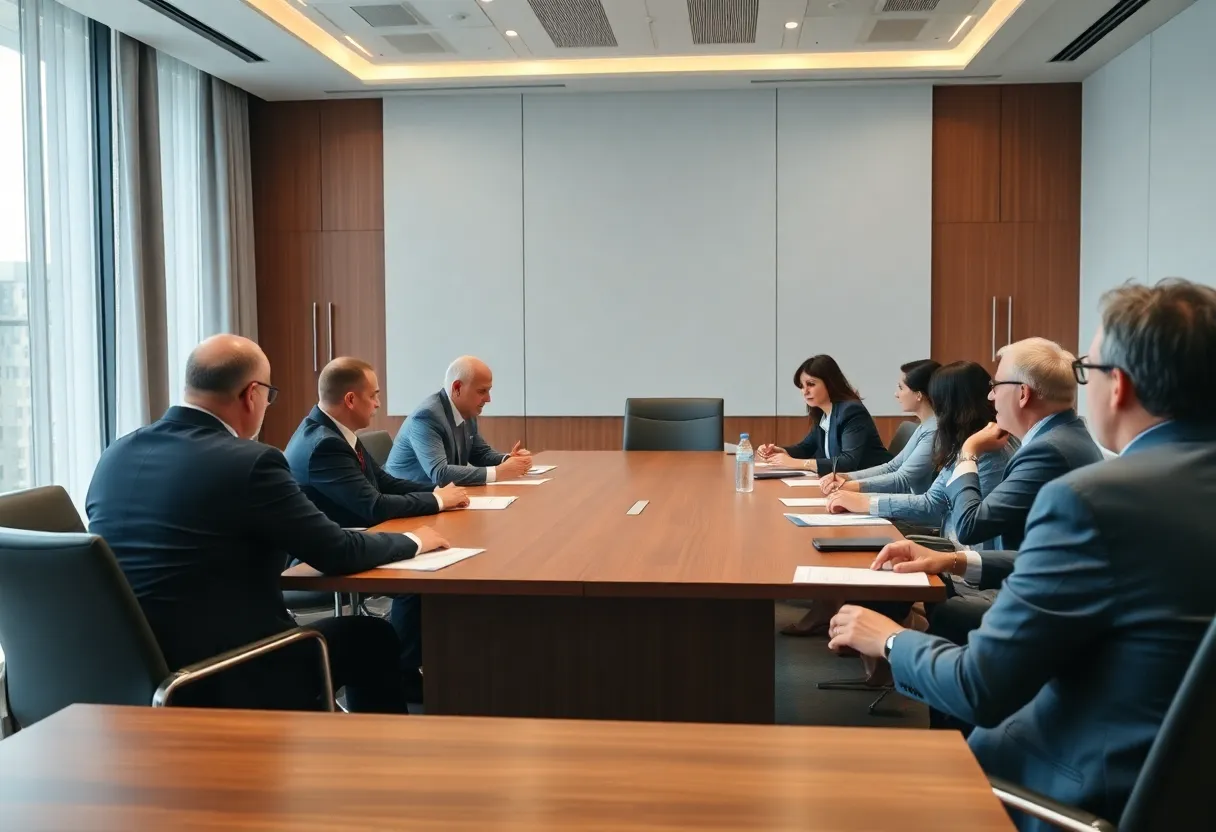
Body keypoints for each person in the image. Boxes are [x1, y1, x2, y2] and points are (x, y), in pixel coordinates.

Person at [827, 279, 1216, 830]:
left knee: (846, 792)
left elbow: (979, 688)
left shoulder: (1092, 500)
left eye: (1089, 371)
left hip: (1076, 793)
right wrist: (957, 560)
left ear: (1119, 386)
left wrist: (886, 637)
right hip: (1186, 794)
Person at [86, 335, 450, 714]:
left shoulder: (115, 454)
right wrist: (415, 541)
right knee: (371, 638)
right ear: (252, 394)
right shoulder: (251, 463)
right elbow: (338, 552)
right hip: (228, 669)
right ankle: (378, 768)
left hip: (127, 675)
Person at [284, 357, 472, 699]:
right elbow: (373, 505)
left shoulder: (338, 432)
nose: (379, 403)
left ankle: (412, 670)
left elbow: (383, 481)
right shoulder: (323, 443)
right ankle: (402, 676)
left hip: (356, 533)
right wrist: (438, 502)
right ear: (350, 400)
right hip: (322, 555)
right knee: (420, 581)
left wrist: (435, 493)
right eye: (374, 395)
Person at [783, 361, 1012, 638]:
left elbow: (947, 516)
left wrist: (861, 498)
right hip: (951, 552)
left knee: (874, 568)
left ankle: (893, 648)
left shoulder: (984, 453)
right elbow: (930, 496)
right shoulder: (961, 444)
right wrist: (852, 486)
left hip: (964, 564)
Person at [945, 337, 1104, 551]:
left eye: (995, 385)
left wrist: (968, 451)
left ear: (1023, 393)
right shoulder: (1069, 434)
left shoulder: (1047, 452)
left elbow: (969, 526)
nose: (991, 396)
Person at [386, 356, 532, 486]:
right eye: (482, 391)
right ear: (457, 388)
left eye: (489, 391)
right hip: (407, 502)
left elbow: (480, 454)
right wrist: (498, 472)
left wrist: (509, 460)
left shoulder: (467, 412)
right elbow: (440, 474)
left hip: (441, 499)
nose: (488, 399)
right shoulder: (427, 416)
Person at [820, 359, 940, 496]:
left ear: (918, 395)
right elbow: (892, 466)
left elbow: (902, 479)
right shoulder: (924, 426)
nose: (896, 394)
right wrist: (847, 477)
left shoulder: (934, 431)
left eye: (901, 388)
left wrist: (847, 486)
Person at [757, 355, 891, 474]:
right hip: (843, 484)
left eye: (811, 384)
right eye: (802, 386)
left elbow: (848, 462)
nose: (805, 391)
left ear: (830, 383)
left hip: (872, 483)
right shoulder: (823, 412)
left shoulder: (851, 411)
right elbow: (807, 447)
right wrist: (782, 452)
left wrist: (796, 463)